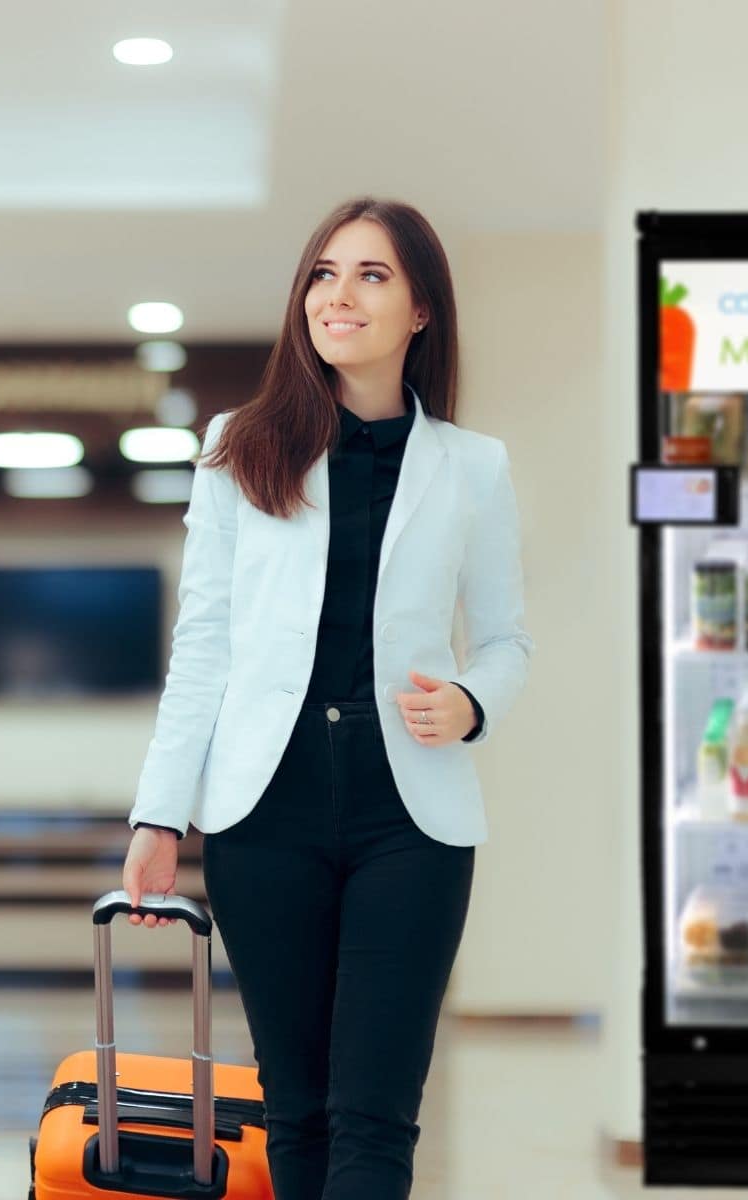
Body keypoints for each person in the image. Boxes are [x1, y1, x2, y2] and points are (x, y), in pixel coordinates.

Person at [119, 196, 533, 1199]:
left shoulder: (473, 469)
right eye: (323, 274)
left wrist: (472, 701)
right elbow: (204, 645)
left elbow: (509, 639)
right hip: (268, 809)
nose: (338, 295)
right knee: (295, 1112)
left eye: (371, 275)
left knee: (375, 1117)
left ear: (422, 310)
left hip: (411, 817)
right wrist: (157, 813)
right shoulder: (238, 446)